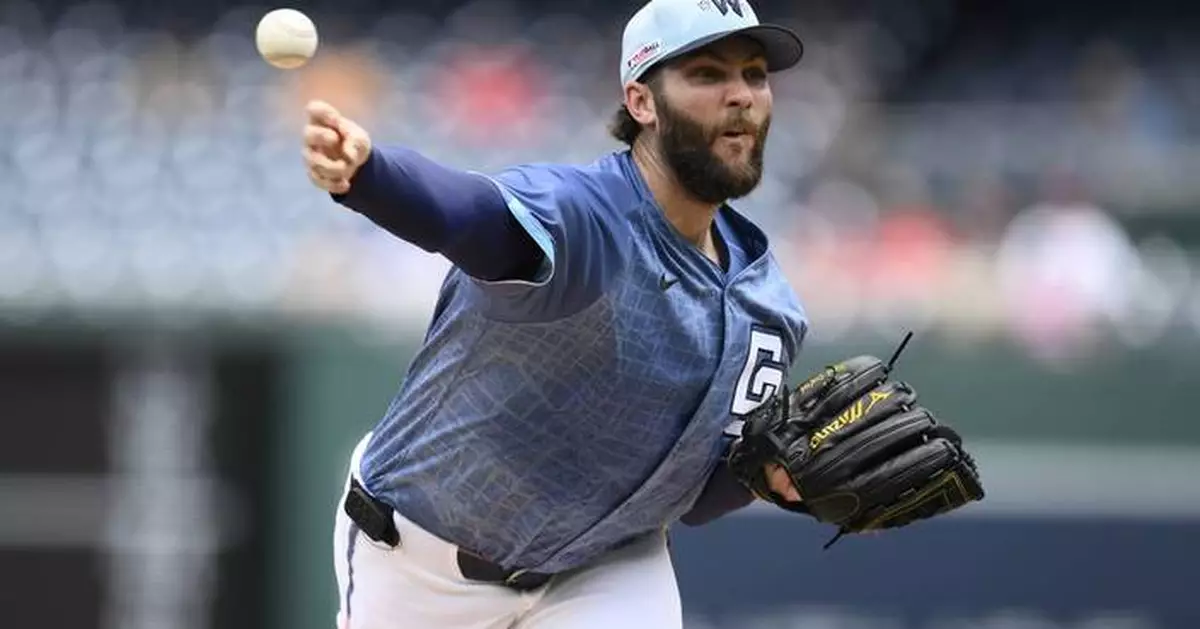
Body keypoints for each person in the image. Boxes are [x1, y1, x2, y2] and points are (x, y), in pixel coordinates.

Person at [302, 0, 807, 627]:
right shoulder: (582, 215)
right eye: (707, 74)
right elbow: (469, 214)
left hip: (607, 569)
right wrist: (372, 176)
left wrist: (773, 474)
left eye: (755, 74)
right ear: (642, 102)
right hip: (423, 563)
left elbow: (698, 496)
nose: (742, 96)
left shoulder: (770, 306)